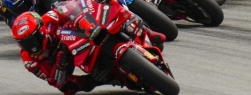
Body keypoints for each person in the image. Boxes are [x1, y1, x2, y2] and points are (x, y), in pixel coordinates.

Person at [11, 8, 163, 95]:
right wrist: (60, 66)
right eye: (24, 43)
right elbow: (55, 82)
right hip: (67, 60)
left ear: (40, 29)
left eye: (32, 39)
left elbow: (70, 8)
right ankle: (111, 77)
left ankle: (147, 32)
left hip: (79, 38)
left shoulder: (49, 19)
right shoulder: (29, 60)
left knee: (113, 9)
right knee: (70, 88)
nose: (31, 46)